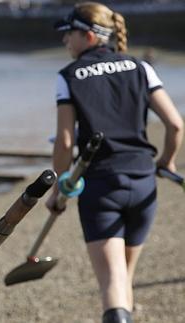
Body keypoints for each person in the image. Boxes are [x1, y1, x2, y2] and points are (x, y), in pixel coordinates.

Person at [46, 2, 183, 323]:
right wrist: (167, 161)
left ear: (90, 35)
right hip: (143, 184)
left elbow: (65, 143)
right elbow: (176, 124)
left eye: (69, 33)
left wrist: (57, 191)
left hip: (101, 188)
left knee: (111, 287)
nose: (65, 40)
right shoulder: (141, 67)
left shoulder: (68, 76)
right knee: (124, 278)